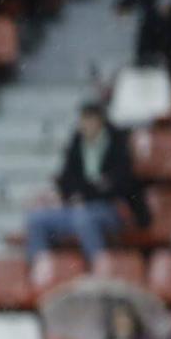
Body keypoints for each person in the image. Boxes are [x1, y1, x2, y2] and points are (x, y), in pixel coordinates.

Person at [25, 104, 150, 262]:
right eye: (83, 120)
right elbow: (66, 179)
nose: (85, 125)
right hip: (77, 206)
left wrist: (86, 191)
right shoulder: (76, 143)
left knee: (84, 219)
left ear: (100, 121)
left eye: (90, 120)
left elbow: (119, 183)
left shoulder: (118, 143)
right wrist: (87, 190)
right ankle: (42, 271)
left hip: (110, 208)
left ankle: (98, 269)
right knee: (37, 219)